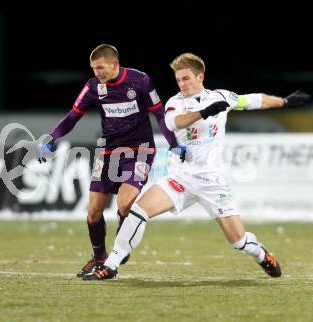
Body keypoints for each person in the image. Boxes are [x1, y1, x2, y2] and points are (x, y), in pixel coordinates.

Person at [83, 52, 310, 280]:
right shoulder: (176, 103)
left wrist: (285, 102)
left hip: (212, 182)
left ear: (200, 76)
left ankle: (260, 253)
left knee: (238, 241)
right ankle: (111, 266)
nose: (181, 84)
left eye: (186, 78)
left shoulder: (221, 97)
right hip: (180, 179)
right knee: (138, 211)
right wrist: (203, 113)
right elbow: (173, 123)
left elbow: (252, 100)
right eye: (178, 80)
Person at [37, 44, 184, 277]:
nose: (97, 73)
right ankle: (99, 258)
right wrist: (51, 137)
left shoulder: (140, 81)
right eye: (94, 68)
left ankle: (118, 253)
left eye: (101, 68)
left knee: (125, 204)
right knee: (94, 211)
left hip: (140, 150)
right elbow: (73, 116)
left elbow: (159, 113)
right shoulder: (93, 87)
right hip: (108, 152)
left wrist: (174, 143)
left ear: (114, 64)